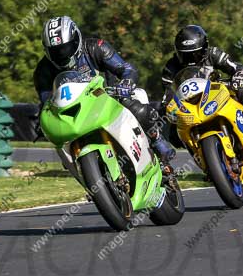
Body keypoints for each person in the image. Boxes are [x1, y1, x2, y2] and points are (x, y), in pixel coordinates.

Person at [33, 16, 177, 170]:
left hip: (108, 96)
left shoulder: (96, 47)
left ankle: (156, 139)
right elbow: (46, 102)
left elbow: (126, 68)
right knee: (61, 146)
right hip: (75, 111)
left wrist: (126, 83)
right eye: (55, 51)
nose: (62, 54)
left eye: (66, 48)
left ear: (76, 40)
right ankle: (89, 179)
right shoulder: (42, 71)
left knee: (135, 102)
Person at [161, 24, 243, 167]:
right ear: (177, 52)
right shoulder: (171, 66)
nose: (191, 59)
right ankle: (201, 159)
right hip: (190, 105)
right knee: (173, 131)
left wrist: (239, 75)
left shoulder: (214, 54)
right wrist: (166, 104)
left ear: (204, 48)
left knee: (242, 88)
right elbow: (167, 91)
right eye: (185, 55)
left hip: (217, 93)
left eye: (195, 54)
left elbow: (237, 67)